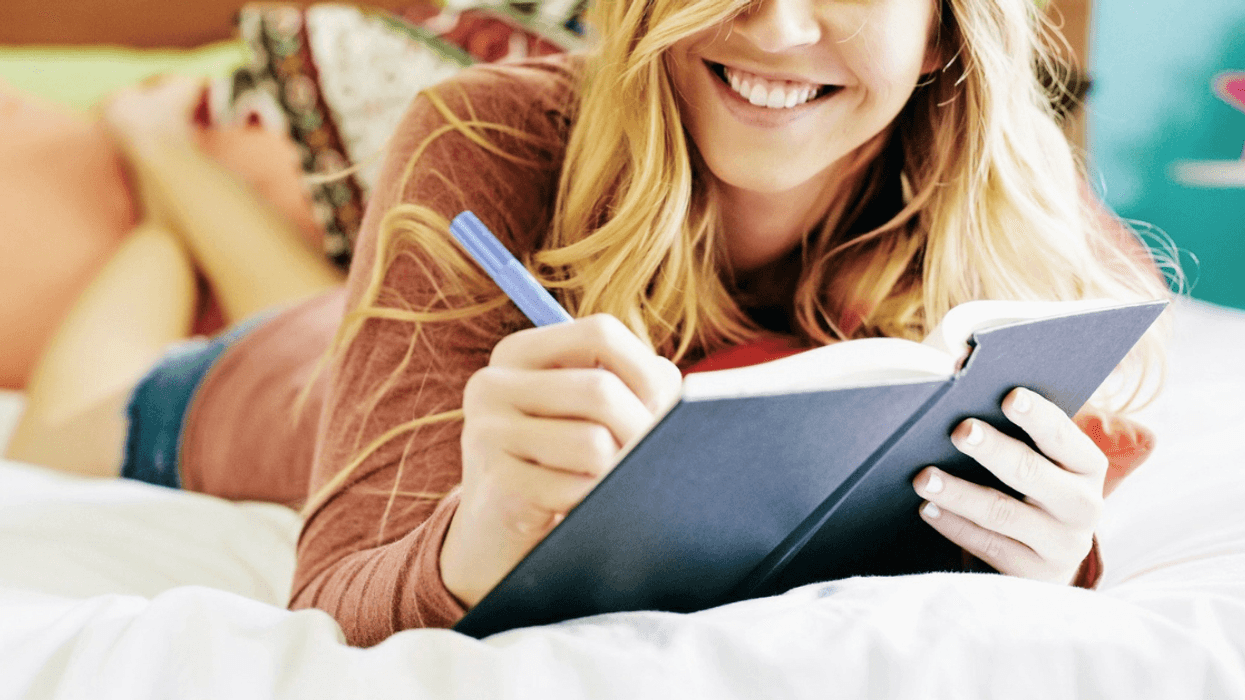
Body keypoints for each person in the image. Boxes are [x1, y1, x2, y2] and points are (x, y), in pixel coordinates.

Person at [7, 0, 1171, 648]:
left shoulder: (1010, 209)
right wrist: (478, 541)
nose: (777, 26)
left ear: (946, 27)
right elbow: (335, 597)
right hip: (251, 391)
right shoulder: (488, 138)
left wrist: (1052, 555)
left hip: (380, 332)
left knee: (337, 300)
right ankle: (160, 155)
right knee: (55, 424)